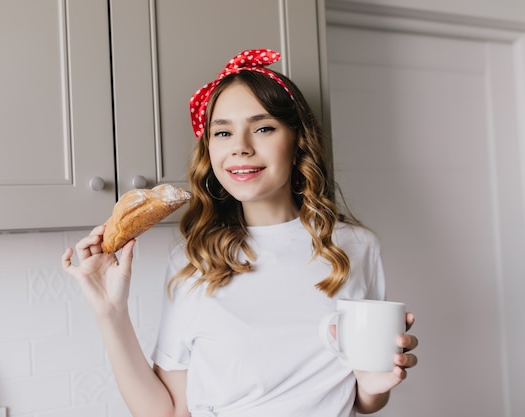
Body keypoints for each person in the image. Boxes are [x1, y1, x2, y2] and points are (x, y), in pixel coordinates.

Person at [62, 48, 418, 417]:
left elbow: (365, 394)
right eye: (222, 132)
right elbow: (168, 412)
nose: (240, 147)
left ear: (298, 141)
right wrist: (110, 310)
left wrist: (375, 388)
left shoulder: (356, 248)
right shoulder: (193, 259)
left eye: (263, 128)